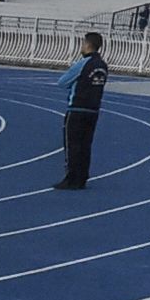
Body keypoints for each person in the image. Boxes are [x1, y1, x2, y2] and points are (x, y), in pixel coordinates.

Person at [54, 31, 110, 190]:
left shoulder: (83, 63)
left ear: (87, 44)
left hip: (77, 108)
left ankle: (71, 178)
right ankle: (82, 177)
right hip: (93, 109)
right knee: (86, 144)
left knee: (72, 144)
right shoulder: (103, 65)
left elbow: (62, 82)